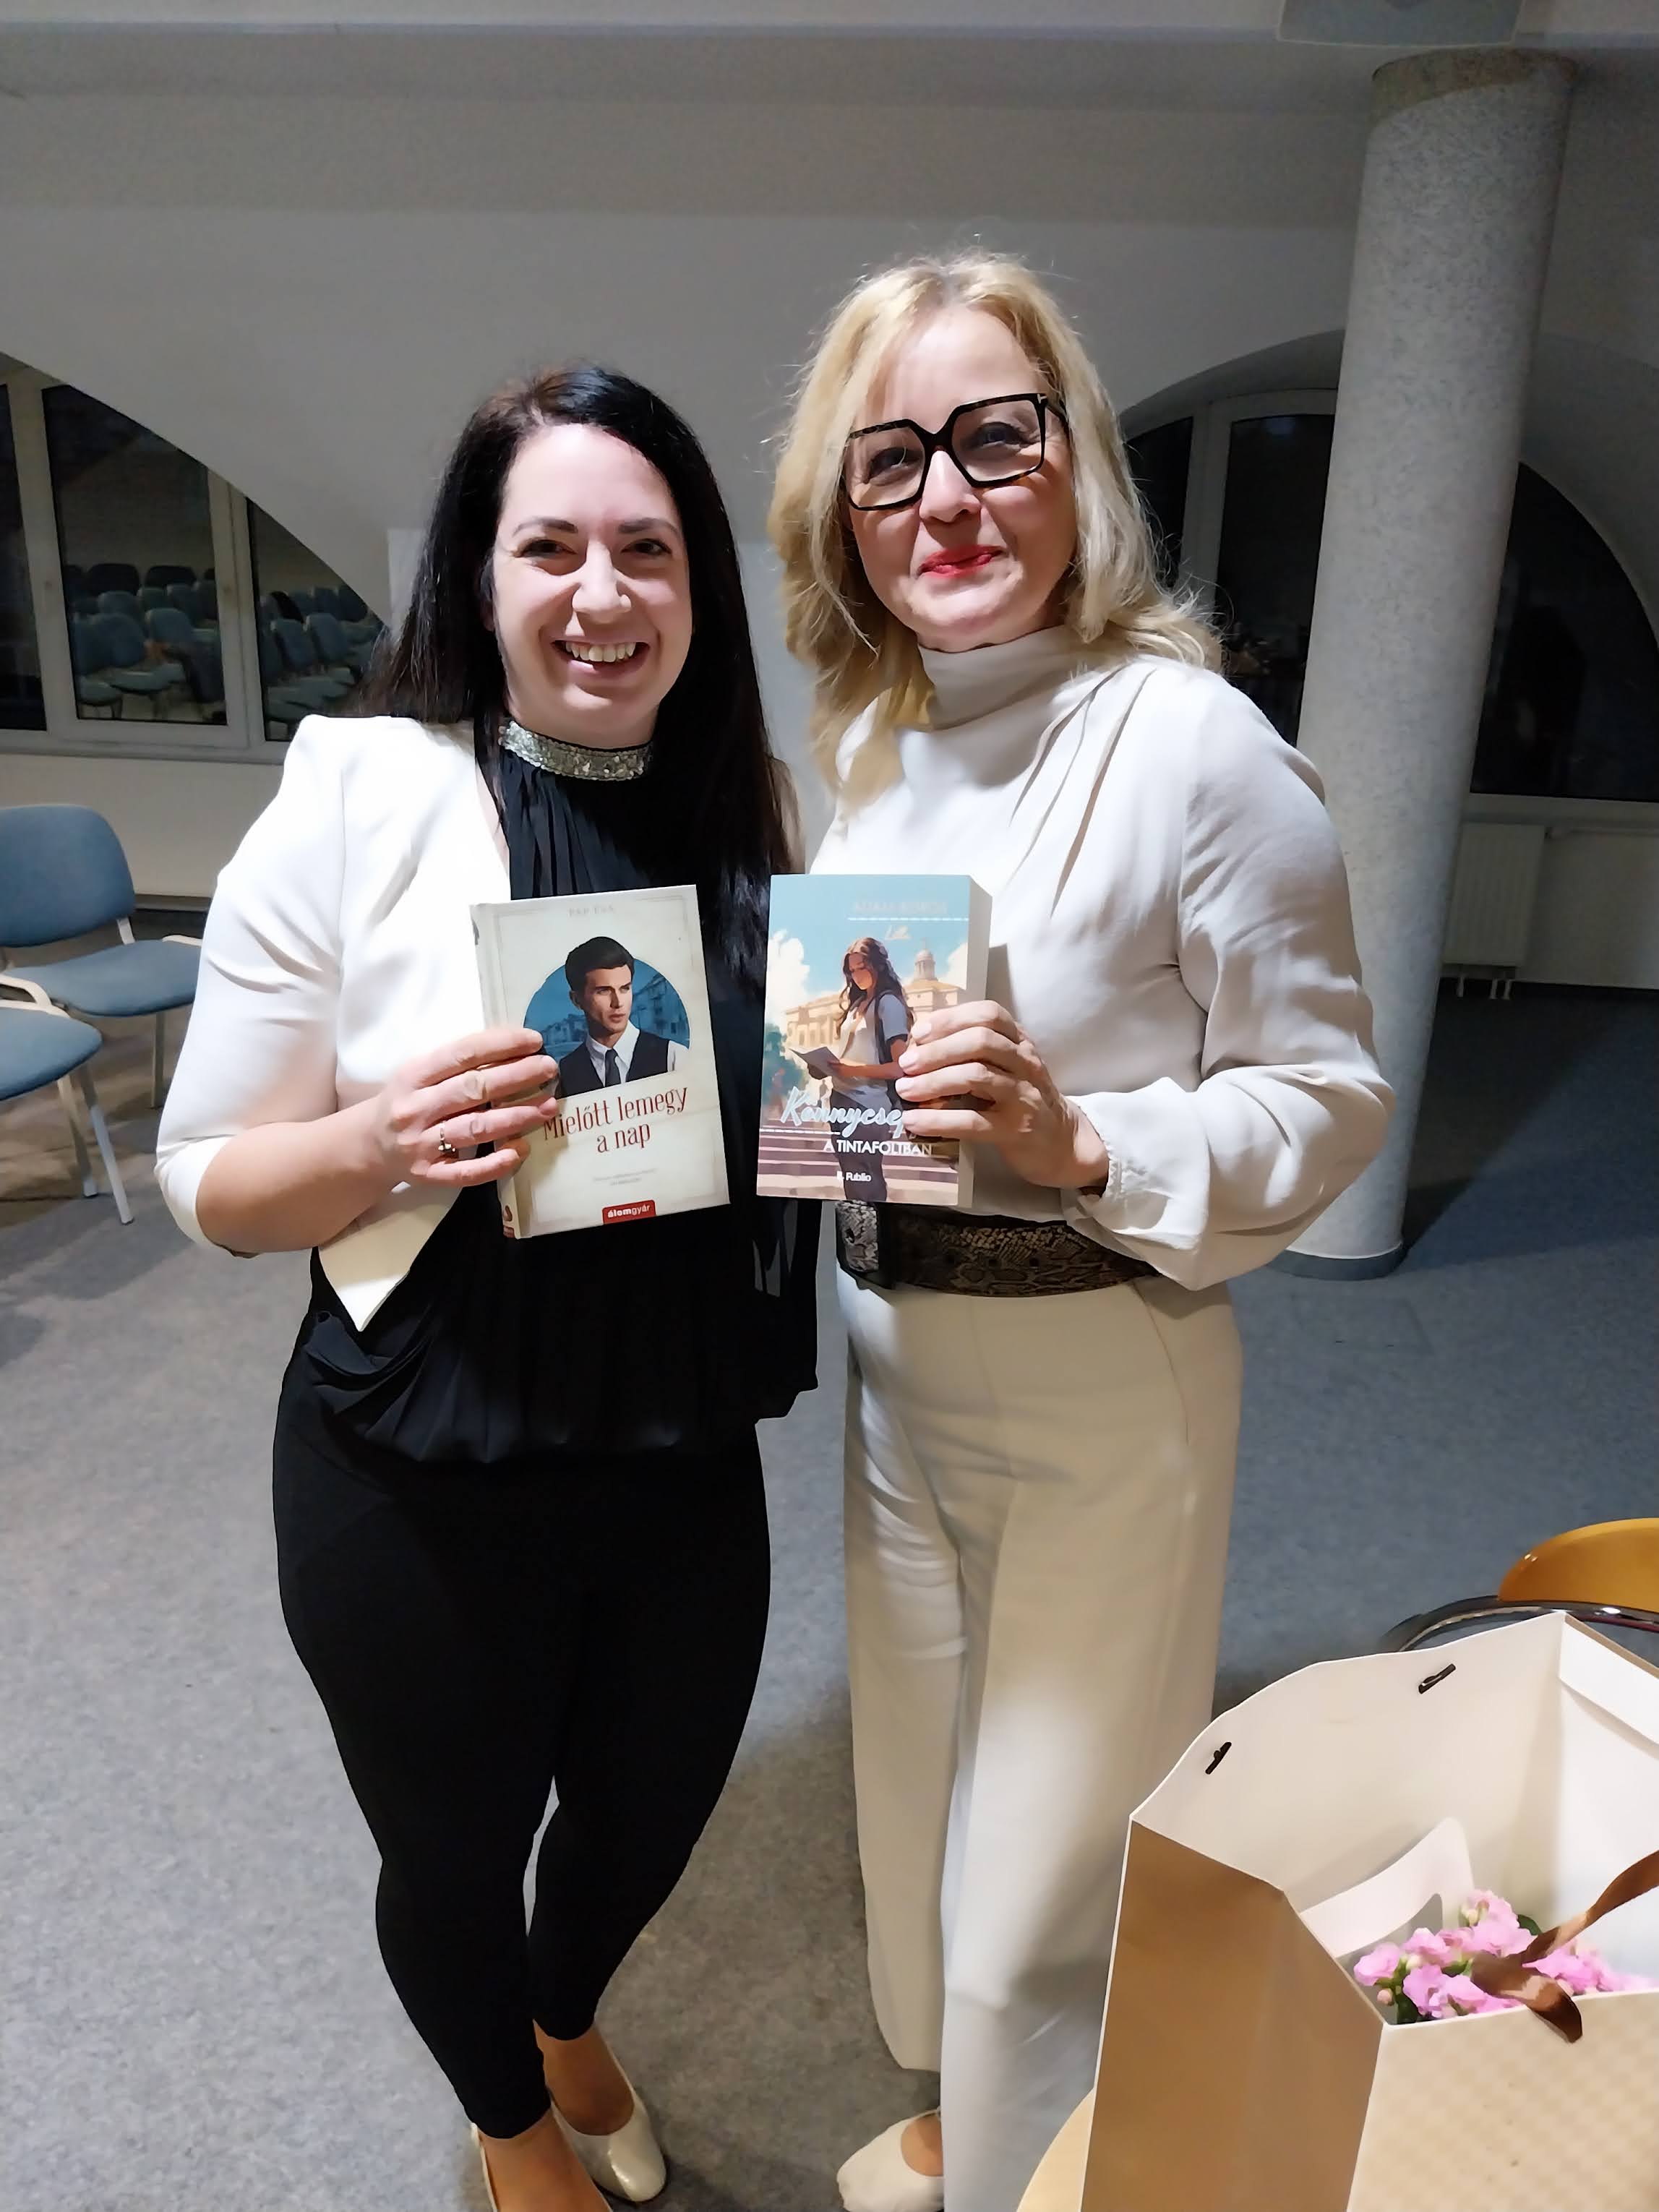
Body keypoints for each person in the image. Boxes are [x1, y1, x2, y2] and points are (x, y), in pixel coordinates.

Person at [769, 253, 1393, 2212]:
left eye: (992, 436)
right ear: (842, 510)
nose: (944, 496)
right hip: (890, 1370)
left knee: (1037, 1885)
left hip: (1095, 1385)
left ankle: (1026, 2174)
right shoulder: (866, 749)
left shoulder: (1189, 744)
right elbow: (844, 1073)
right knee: (915, 1791)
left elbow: (1328, 1095)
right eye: (890, 459)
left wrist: (1080, 1134)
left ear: (1075, 463)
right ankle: (969, 2126)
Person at [156, 364, 817, 2212]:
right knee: (449, 1850)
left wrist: (871, 1106)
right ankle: (510, 2118)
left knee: (647, 1813)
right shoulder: (362, 792)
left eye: (646, 550)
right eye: (550, 549)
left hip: (677, 1438)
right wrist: (383, 1140)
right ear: (476, 576)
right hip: (421, 1448)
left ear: (698, 589)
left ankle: (565, 2001)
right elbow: (207, 1180)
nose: (602, 594)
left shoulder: (751, 810)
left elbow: (782, 1122)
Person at [820, 935, 912, 1204]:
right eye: (852, 970)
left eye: (862, 967)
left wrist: (852, 1070)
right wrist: (825, 1066)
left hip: (868, 1104)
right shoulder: (857, 1005)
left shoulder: (888, 1004)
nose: (857, 975)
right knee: (853, 1177)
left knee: (865, 1180)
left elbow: (900, 1068)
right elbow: (850, 1056)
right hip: (841, 1099)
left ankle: (871, 1228)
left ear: (878, 965)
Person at [553, 935, 685, 1094]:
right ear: (576, 1000)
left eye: (625, 988)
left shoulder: (673, 1057)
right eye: (603, 991)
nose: (618, 1003)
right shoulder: (564, 1074)